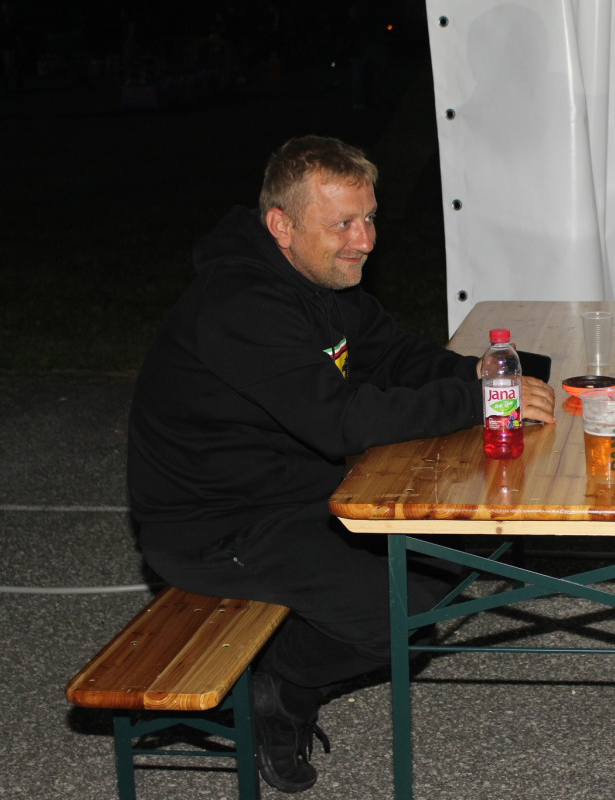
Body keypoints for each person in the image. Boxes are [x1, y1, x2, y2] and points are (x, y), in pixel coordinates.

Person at [127, 135, 556, 793]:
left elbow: (395, 355)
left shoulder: (323, 277)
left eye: (370, 218)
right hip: (215, 526)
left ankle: (297, 652)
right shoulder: (241, 304)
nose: (366, 240)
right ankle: (280, 686)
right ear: (282, 225)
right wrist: (481, 401)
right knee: (399, 615)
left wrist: (491, 373)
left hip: (289, 494)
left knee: (450, 546)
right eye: (344, 224)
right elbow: (341, 422)